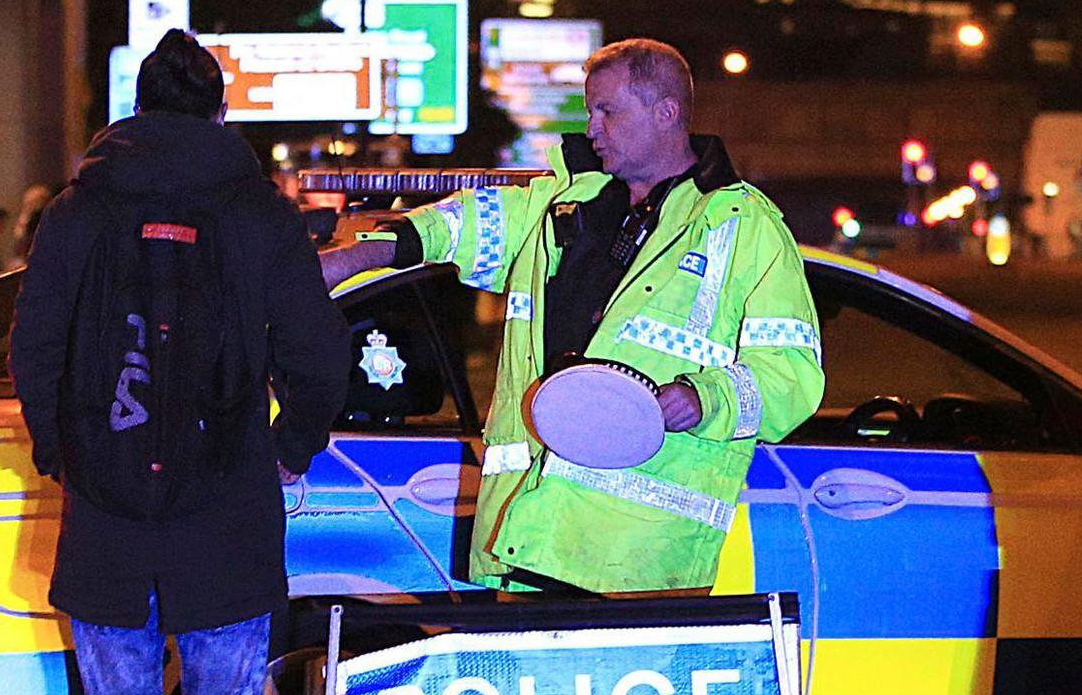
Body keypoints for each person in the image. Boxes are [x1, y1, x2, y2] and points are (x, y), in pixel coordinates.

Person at [9, 30, 348, 695]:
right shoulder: (256, 215)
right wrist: (288, 449)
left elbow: (34, 344)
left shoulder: (79, 211)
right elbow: (320, 353)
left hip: (107, 521)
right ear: (217, 112)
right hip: (224, 518)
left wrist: (61, 450)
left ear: (134, 106)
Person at [318, 37, 823, 596]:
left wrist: (705, 398)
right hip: (531, 543)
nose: (592, 128)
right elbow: (455, 228)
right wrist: (351, 258)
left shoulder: (742, 225)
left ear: (666, 112)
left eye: (607, 110)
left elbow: (792, 373)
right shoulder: (564, 203)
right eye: (589, 111)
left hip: (639, 564)